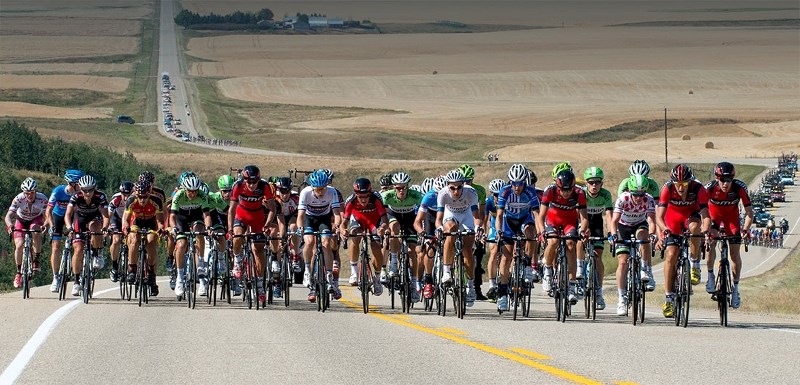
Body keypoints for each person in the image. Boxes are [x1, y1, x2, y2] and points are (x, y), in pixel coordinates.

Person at [655, 164, 711, 318]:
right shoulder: (667, 188)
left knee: (695, 227)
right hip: (672, 219)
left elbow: (706, 215)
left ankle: (694, 264)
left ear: (689, 181)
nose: (680, 188)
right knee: (671, 255)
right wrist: (664, 229)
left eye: (684, 184)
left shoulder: (698, 188)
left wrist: (705, 229)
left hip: (691, 216)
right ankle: (668, 297)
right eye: (677, 184)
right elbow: (659, 216)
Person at [704, 162, 753, 309]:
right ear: (717, 178)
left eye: (729, 180)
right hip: (714, 217)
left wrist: (745, 229)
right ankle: (711, 276)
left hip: (732, 220)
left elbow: (750, 212)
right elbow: (701, 209)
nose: (725, 183)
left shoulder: (739, 188)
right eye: (722, 180)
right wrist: (705, 229)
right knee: (711, 243)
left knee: (735, 254)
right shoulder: (710, 188)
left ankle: (735, 289)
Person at [537, 169, 589, 305]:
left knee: (571, 245)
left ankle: (571, 286)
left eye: (569, 190)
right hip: (552, 221)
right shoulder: (550, 191)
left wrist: (582, 231)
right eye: (563, 190)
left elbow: (584, 218)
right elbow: (541, 216)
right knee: (553, 241)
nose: (566, 193)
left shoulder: (579, 193)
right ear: (557, 186)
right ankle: (547, 271)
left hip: (570, 223)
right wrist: (542, 232)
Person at [494, 164, 541, 312]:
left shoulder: (530, 192)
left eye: (520, 183)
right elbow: (500, 215)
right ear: (510, 182)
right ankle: (502, 294)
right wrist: (499, 231)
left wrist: (541, 231)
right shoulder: (505, 191)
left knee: (531, 232)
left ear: (524, 182)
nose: (517, 187)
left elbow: (536, 214)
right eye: (514, 183)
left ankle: (527, 264)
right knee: (506, 257)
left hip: (525, 220)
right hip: (509, 223)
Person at [608, 175, 657, 316]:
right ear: (630, 191)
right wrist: (613, 234)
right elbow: (614, 221)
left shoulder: (649, 200)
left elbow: (651, 221)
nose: (639, 198)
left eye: (641, 194)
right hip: (623, 227)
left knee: (644, 237)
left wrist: (653, 234)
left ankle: (645, 269)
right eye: (636, 194)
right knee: (623, 262)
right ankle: (621, 298)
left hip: (639, 224)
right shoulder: (623, 199)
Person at [228, 165, 277, 303]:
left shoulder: (264, 186)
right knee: (237, 237)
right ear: (244, 180)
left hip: (257, 217)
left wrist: (267, 224)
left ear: (258, 180)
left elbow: (272, 208)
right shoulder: (238, 185)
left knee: (258, 249)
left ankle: (260, 285)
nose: (251, 185)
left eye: (254, 182)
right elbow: (232, 209)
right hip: (241, 215)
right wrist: (230, 229)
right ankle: (237, 261)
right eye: (248, 182)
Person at [435, 169, 483, 307]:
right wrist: (439, 229)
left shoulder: (471, 192)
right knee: (450, 231)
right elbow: (439, 219)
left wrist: (478, 228)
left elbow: (476, 216)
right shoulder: (443, 194)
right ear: (447, 186)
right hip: (451, 215)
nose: (456, 191)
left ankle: (470, 285)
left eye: (459, 187)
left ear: (463, 184)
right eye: (452, 187)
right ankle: (447, 272)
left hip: (467, 215)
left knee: (467, 250)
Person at [296, 170, 342, 302]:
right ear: (312, 187)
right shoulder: (305, 192)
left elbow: (337, 214)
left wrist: (337, 225)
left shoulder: (332, 191)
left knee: (326, 242)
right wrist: (300, 228)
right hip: (310, 219)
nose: (321, 192)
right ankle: (307, 270)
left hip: (324, 219)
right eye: (318, 189)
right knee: (309, 242)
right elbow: (300, 216)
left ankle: (328, 275)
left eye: (323, 189)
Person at [341, 178, 389, 297]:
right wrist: (343, 230)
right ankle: (354, 272)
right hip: (358, 220)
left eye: (366, 196)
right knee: (355, 237)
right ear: (355, 194)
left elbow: (385, 221)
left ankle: (377, 278)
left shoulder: (376, 199)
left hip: (374, 222)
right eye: (360, 196)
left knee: (376, 247)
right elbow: (344, 222)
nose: (363, 199)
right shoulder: (351, 201)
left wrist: (382, 229)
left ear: (370, 193)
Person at [64, 175, 110, 296]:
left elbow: (105, 216)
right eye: (85, 190)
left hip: (94, 218)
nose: (88, 193)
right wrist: (69, 228)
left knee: (96, 228)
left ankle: (97, 253)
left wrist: (105, 228)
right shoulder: (76, 196)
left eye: (90, 189)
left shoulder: (100, 196)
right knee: (78, 249)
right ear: (80, 189)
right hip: (80, 219)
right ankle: (76, 281)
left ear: (94, 188)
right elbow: (68, 215)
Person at [381, 172, 423, 302]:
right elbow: (379, 212)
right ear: (394, 187)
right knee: (395, 228)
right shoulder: (386, 196)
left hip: (410, 219)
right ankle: (393, 263)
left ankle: (415, 285)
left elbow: (423, 213)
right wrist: (384, 227)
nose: (401, 190)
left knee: (411, 253)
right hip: (393, 216)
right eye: (398, 188)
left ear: (408, 187)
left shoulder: (416, 196)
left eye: (404, 187)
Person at [577, 167, 614, 309]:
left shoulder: (605, 195)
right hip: (583, 221)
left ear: (601, 184)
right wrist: (581, 229)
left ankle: (598, 292)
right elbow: (577, 215)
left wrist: (611, 233)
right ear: (586, 183)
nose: (594, 185)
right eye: (591, 182)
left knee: (598, 256)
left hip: (597, 223)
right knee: (580, 241)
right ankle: (580, 269)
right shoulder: (581, 194)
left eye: (597, 182)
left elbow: (609, 216)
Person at [171, 175, 213, 298]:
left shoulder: (202, 195)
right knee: (181, 244)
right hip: (181, 219)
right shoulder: (178, 195)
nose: (193, 194)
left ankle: (200, 264)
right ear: (185, 189)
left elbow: (206, 215)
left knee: (199, 231)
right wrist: (173, 228)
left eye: (195, 191)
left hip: (196, 217)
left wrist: (209, 227)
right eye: (190, 191)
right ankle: (180, 277)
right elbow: (172, 216)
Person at [122, 181, 164, 296]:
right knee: (134, 239)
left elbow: (160, 221)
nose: (142, 200)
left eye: (145, 197)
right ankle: (132, 269)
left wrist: (160, 228)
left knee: (151, 242)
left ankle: (151, 273)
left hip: (151, 223)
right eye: (140, 197)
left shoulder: (156, 201)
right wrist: (126, 227)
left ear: (149, 194)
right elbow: (126, 219)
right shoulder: (131, 200)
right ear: (136, 194)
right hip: (137, 222)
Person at [5, 178, 48, 288]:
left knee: (35, 230)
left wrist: (46, 224)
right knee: (19, 245)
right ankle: (18, 273)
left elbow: (48, 215)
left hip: (36, 219)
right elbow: (8, 216)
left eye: (32, 192)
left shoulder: (42, 199)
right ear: (24, 193)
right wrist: (10, 225)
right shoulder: (18, 199)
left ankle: (36, 259)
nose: (29, 195)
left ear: (35, 191)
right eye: (27, 193)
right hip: (21, 220)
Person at [44, 169, 82, 292]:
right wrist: (51, 225)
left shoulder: (80, 193)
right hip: (58, 217)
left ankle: (77, 277)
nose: (81, 185)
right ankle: (55, 277)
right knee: (55, 247)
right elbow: (48, 211)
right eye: (78, 183)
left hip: (72, 216)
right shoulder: (58, 191)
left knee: (77, 245)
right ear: (72, 183)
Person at [414, 176, 446, 300]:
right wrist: (422, 232)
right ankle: (428, 281)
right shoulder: (429, 197)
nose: (440, 196)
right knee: (430, 249)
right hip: (430, 219)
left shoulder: (451, 196)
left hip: (445, 217)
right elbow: (418, 221)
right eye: (438, 193)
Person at [460, 164, 488, 300]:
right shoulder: (457, 190)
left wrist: (480, 230)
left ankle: (476, 288)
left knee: (478, 256)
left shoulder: (480, 191)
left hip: (473, 223)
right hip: (459, 222)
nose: (466, 184)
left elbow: (482, 214)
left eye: (469, 181)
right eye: (464, 181)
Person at [483, 178, 506, 303]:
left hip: (506, 225)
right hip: (493, 226)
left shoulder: (508, 199)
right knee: (493, 250)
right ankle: (492, 284)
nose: (498, 197)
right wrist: (484, 234)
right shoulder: (489, 202)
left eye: (500, 194)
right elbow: (485, 219)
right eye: (495, 195)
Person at [108, 181, 133, 282]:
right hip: (117, 219)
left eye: (129, 195)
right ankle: (114, 267)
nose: (126, 197)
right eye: (124, 194)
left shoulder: (135, 199)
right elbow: (108, 216)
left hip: (130, 220)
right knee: (116, 240)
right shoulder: (116, 199)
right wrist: (108, 227)